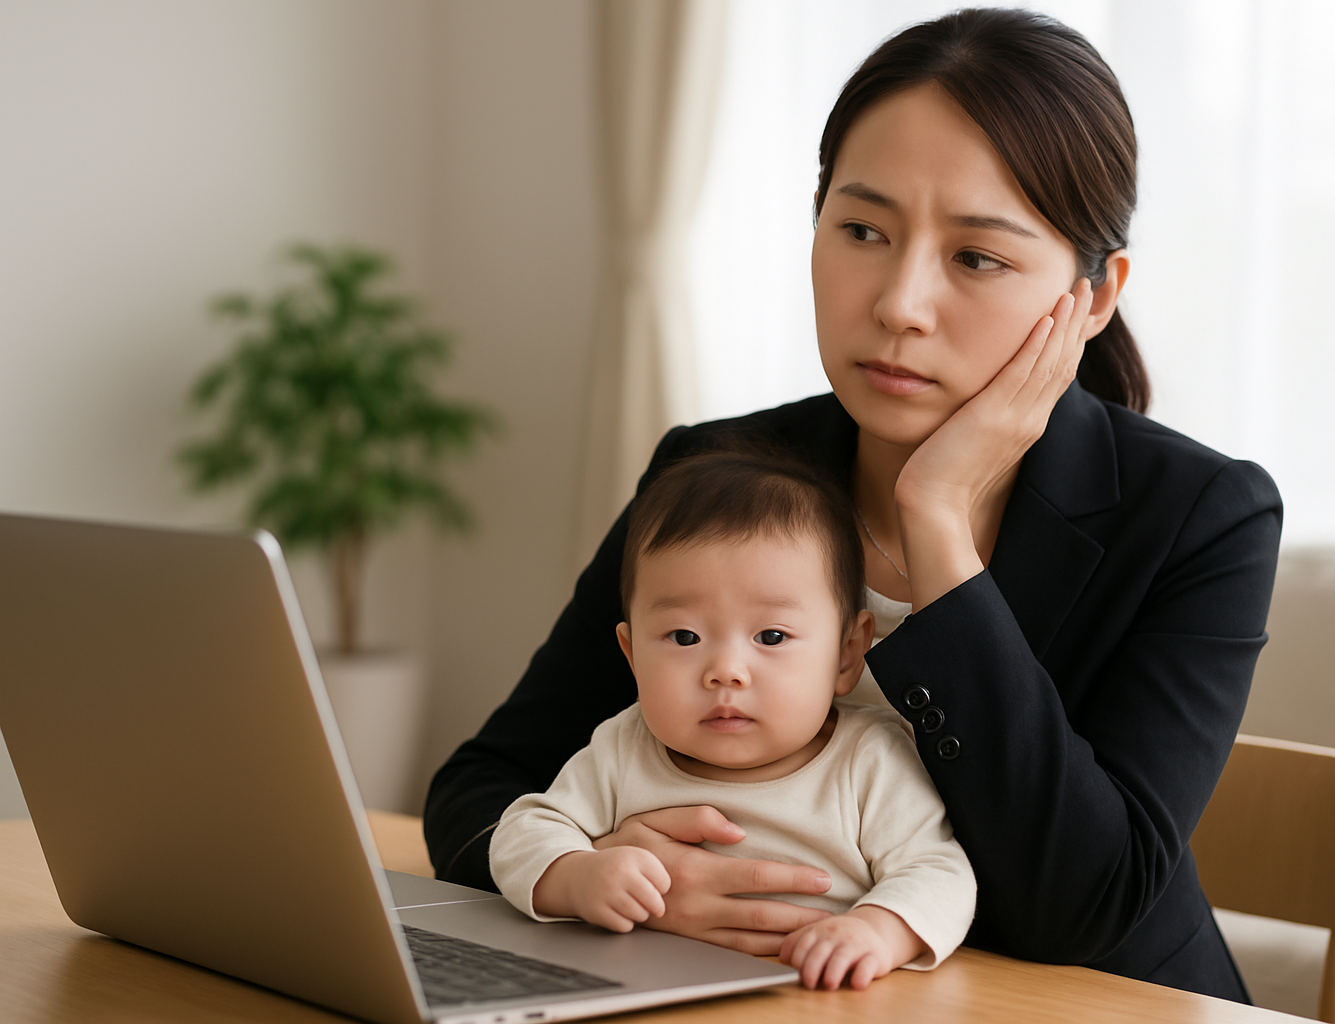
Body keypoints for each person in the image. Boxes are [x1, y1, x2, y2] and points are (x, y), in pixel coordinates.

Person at [426, 7, 1281, 1003]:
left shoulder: (1202, 517)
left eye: (977, 257)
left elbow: (1079, 906)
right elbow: (478, 790)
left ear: (1091, 298)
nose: (899, 303)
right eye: (864, 230)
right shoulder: (718, 472)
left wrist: (938, 519)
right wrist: (605, 874)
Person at [488, 449, 976, 990]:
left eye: (771, 637)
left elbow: (941, 873)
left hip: (812, 997)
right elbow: (523, 831)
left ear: (846, 654)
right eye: (684, 637)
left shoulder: (869, 760)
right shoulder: (625, 746)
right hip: (640, 991)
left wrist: (878, 930)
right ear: (631, 655)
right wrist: (575, 876)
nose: (725, 672)